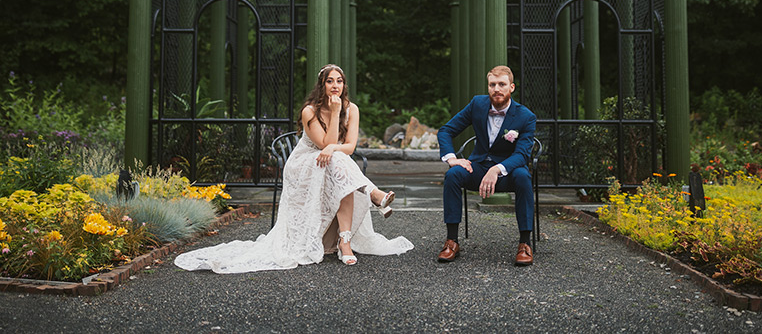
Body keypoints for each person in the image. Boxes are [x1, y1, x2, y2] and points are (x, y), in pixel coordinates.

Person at [175, 64, 413, 273]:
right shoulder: (309, 111)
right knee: (339, 163)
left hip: (332, 161)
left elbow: (348, 147)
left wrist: (334, 146)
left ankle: (345, 241)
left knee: (341, 167)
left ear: (344, 85)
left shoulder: (353, 109)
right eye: (330, 81)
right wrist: (335, 114)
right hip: (306, 163)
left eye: (339, 81)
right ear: (321, 85)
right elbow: (324, 145)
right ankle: (373, 196)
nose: (335, 85)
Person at [437, 65, 537, 265]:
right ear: (488, 86)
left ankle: (525, 243)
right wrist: (451, 159)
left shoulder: (526, 116)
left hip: (509, 171)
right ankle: (451, 241)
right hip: (479, 167)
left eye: (502, 84)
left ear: (512, 87)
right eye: (492, 84)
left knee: (524, 177)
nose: (497, 89)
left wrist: (496, 169)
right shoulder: (477, 104)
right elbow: (446, 130)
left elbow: (522, 155)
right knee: (453, 175)